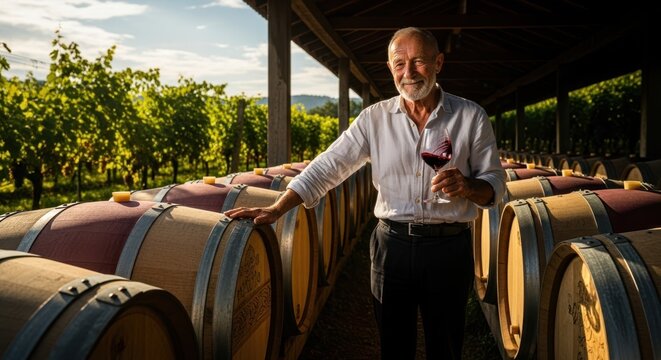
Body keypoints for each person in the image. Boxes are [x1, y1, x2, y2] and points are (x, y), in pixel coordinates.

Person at [225, 27, 505, 360]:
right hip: (392, 247)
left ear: (438, 63)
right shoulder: (374, 119)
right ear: (390, 68)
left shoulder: (470, 116)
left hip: (449, 248)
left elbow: (495, 183)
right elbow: (329, 166)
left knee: (445, 347)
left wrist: (469, 186)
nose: (408, 72)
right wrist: (276, 207)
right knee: (393, 346)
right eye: (399, 64)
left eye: (418, 62)